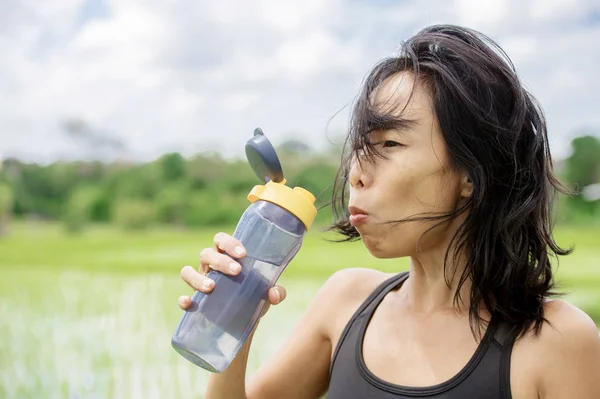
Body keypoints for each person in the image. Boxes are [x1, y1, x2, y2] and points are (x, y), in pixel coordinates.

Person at [177, 24, 600, 398]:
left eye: (389, 144)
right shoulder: (345, 303)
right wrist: (234, 315)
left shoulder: (558, 342)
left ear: (472, 173)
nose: (356, 174)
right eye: (361, 147)